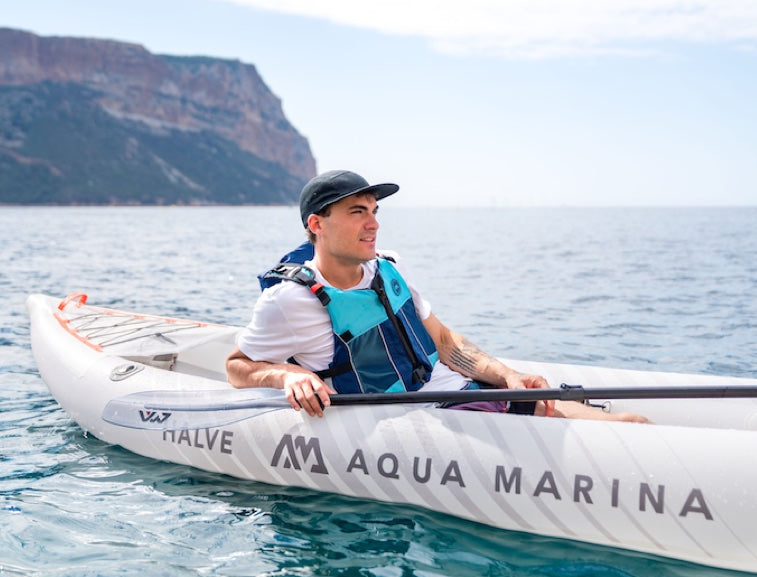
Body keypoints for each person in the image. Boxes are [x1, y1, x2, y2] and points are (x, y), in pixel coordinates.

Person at [226, 170, 648, 423]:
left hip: (464, 390)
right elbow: (237, 367)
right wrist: (287, 375)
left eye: (375, 211)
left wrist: (506, 377)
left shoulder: (388, 270)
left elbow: (443, 341)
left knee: (630, 422)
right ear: (317, 224)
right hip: (425, 419)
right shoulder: (287, 301)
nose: (373, 223)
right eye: (358, 212)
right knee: (629, 427)